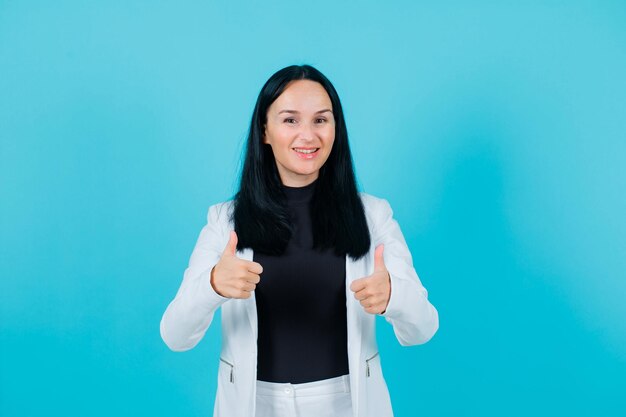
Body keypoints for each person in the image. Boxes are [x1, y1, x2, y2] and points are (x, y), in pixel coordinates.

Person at [160, 64, 439, 417]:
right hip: (254, 405)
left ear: (336, 129)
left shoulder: (373, 216)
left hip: (347, 404)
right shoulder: (224, 220)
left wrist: (393, 296)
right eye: (290, 120)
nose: (307, 135)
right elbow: (175, 335)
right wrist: (213, 284)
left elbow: (424, 328)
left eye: (321, 120)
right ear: (265, 130)